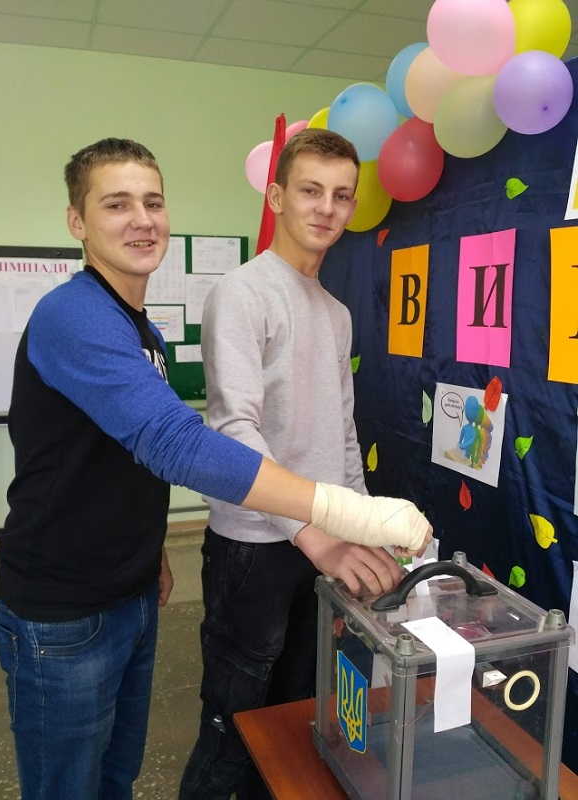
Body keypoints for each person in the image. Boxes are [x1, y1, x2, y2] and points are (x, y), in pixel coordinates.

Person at [0, 137, 431, 800]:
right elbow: (177, 442)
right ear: (77, 221)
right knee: (83, 782)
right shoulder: (74, 315)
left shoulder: (140, 328)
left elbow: (125, 457)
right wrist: (342, 516)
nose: (142, 219)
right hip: (65, 611)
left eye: (153, 202)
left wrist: (152, 552)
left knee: (119, 774)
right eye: (117, 204)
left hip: (130, 591)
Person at [179, 128, 427, 800]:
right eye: (311, 190)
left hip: (321, 546)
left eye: (341, 195)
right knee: (233, 728)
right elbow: (234, 430)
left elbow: (341, 432)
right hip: (255, 549)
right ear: (277, 196)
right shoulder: (242, 292)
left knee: (298, 719)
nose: (326, 207)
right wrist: (312, 532)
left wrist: (366, 524)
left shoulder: (336, 312)